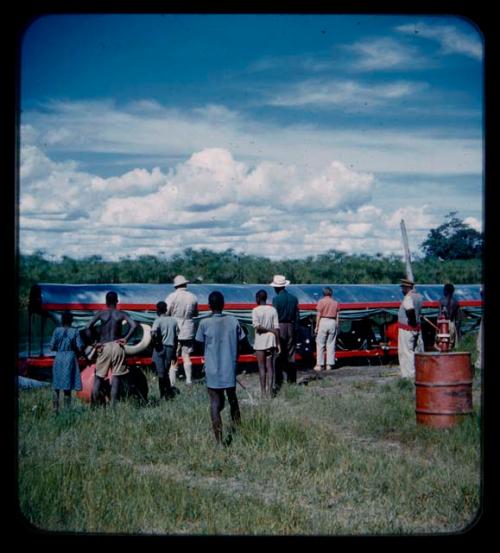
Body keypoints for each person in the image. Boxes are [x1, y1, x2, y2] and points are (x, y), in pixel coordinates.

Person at [195, 291, 245, 445]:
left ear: (209, 306)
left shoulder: (204, 323)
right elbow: (242, 341)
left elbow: (198, 344)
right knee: (233, 399)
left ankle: (219, 442)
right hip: (229, 367)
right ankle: (237, 432)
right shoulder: (233, 321)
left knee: (215, 404)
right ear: (223, 305)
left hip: (212, 369)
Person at [86, 291, 138, 406]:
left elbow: (88, 327)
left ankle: (95, 406)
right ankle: (113, 406)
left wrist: (94, 343)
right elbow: (134, 325)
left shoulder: (101, 314)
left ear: (106, 302)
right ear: (117, 301)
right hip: (117, 345)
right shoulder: (121, 314)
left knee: (98, 377)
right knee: (116, 377)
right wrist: (126, 339)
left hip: (104, 346)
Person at [165, 275, 198, 386]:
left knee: (174, 356)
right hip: (189, 327)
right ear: (185, 284)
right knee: (186, 354)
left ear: (176, 286)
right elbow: (195, 313)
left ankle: (172, 383)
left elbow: (166, 312)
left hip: (175, 327)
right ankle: (189, 380)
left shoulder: (172, 297)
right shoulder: (193, 297)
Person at [49, 312, 84, 412]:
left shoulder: (56, 330)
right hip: (70, 357)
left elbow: (51, 347)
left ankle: (55, 409)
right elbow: (80, 346)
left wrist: (59, 347)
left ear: (62, 320)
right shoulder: (75, 331)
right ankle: (67, 410)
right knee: (67, 386)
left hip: (59, 357)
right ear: (71, 320)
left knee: (56, 385)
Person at [271, 275, 300, 390]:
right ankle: (292, 380)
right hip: (291, 326)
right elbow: (297, 316)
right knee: (291, 354)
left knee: (278, 354)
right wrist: (295, 329)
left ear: (276, 288)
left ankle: (279, 381)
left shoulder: (276, 299)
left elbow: (274, 317)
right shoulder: (294, 298)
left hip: (280, 326)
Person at [252, 289, 280, 398]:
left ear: (258, 298)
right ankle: (270, 393)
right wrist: (278, 343)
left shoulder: (255, 310)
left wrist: (268, 329)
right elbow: (276, 328)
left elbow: (257, 327)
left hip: (260, 342)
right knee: (271, 368)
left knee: (261, 368)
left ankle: (263, 393)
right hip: (271, 341)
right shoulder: (273, 310)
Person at [151, 301, 179, 400]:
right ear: (166, 309)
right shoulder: (173, 321)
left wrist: (155, 344)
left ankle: (163, 394)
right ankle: (168, 393)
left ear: (157, 310)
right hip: (170, 347)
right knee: (166, 372)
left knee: (161, 374)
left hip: (160, 348)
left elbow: (153, 333)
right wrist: (175, 353)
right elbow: (176, 338)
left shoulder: (157, 321)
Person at [397, 278, 424, 379]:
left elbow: (410, 310)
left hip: (407, 328)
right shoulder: (419, 297)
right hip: (416, 328)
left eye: (403, 288)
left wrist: (411, 323)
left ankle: (409, 375)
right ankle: (417, 373)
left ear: (407, 288)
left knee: (406, 352)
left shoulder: (408, 298)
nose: (402, 290)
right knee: (415, 350)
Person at [314, 287, 339, 371]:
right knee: (331, 344)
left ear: (323, 293)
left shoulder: (321, 302)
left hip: (323, 321)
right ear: (331, 293)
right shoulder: (335, 302)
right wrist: (337, 325)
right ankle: (329, 364)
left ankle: (319, 364)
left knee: (320, 343)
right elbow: (338, 316)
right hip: (332, 321)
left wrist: (316, 326)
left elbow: (318, 315)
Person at [438, 283, 462, 349]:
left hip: (443, 325)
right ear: (453, 291)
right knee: (451, 345)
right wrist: (458, 331)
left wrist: (437, 328)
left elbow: (439, 316)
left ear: (445, 291)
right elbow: (459, 319)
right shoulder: (455, 302)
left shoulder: (441, 301)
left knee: (443, 344)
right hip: (452, 325)